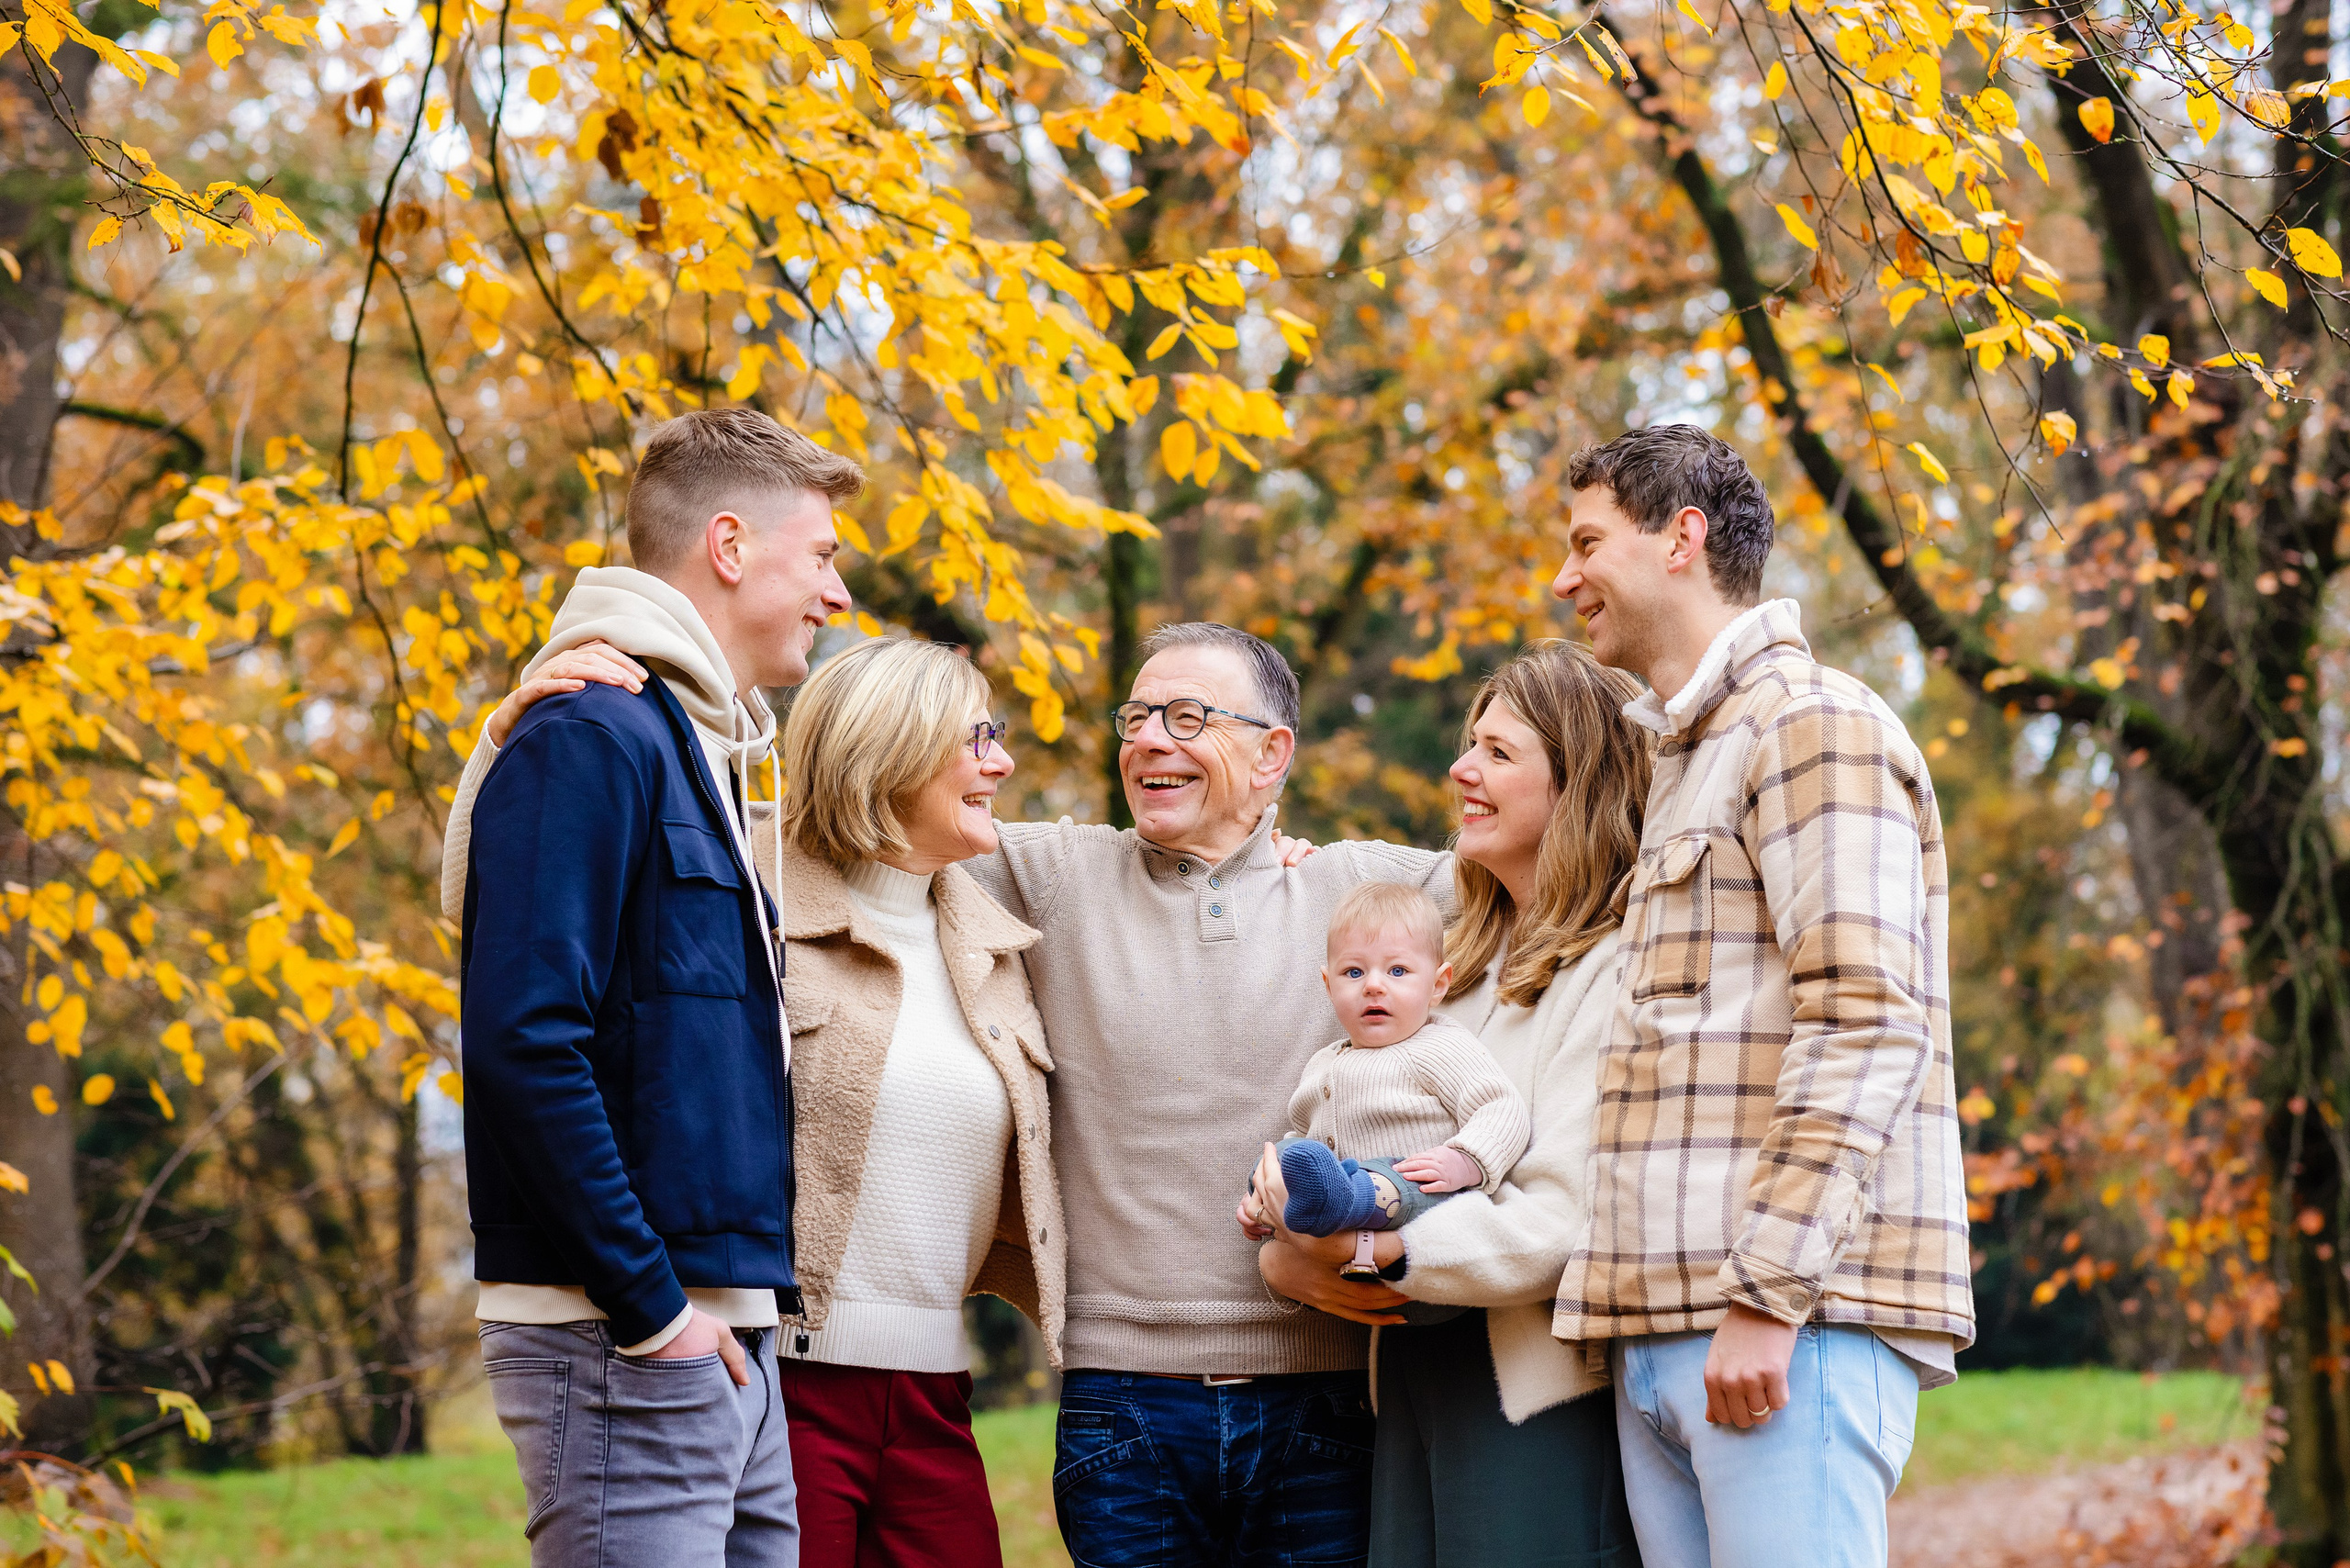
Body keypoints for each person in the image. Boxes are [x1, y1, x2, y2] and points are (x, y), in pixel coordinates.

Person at [1548, 424, 1973, 1568]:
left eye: (1587, 542)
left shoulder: (1809, 726)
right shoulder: (1685, 758)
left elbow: (1867, 1018)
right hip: (1667, 1332)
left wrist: (1768, 1297)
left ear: (1680, 537)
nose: (1564, 576)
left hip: (1787, 1329)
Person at [454, 406, 860, 1566]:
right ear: (729, 547)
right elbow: (525, 1041)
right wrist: (651, 1313)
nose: (836, 594)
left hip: (721, 1336)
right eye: (822, 555)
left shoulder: (698, 753)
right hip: (621, 1336)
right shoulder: (590, 735)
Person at [965, 622, 1455, 1568]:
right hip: (1122, 1404)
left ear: (1273, 754)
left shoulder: (1362, 889)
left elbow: (1559, 857)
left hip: (1328, 1400)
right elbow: (854, 815)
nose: (1149, 737)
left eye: (1187, 716)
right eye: (1137, 715)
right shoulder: (1059, 874)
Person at [1253, 641, 1651, 1568]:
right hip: (1411, 1382)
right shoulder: (1450, 970)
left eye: (1498, 753)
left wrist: (1380, 1248)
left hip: (1530, 1398)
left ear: (1579, 781)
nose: (1460, 769)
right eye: (1469, 745)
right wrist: (1288, 1259)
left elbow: (1563, 1219)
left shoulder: (1614, 970)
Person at [752, 636, 1063, 1568]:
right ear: (888, 748)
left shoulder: (993, 946)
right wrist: (505, 732)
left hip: (932, 1389)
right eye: (976, 739)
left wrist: (1262, 844)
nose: (1000, 762)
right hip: (781, 1386)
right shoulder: (747, 891)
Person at [1243, 882, 1527, 1270]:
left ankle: (1344, 1200)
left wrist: (1465, 1160)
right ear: (1329, 985)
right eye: (1354, 971)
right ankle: (1298, 1201)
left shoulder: (1438, 1045)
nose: (1374, 985)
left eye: (1398, 970)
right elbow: (1307, 1139)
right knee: (1286, 1154)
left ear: (1437, 984)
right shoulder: (1322, 1063)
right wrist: (1265, 1194)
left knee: (1402, 1177)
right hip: (1350, 1239)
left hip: (1426, 1207)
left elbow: (1502, 1107)